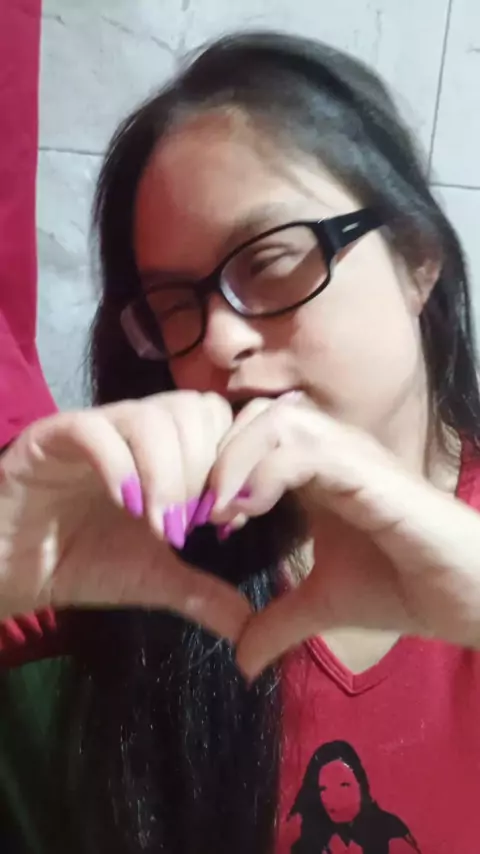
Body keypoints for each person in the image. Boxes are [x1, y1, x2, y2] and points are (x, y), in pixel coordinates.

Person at [2, 29, 480, 854]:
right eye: (174, 305)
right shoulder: (152, 542)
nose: (218, 343)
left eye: (273, 262)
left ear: (418, 259)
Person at [290, 740, 420, 853]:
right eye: (323, 789)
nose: (333, 797)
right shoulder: (311, 839)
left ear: (361, 785)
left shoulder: (390, 832)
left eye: (344, 785)